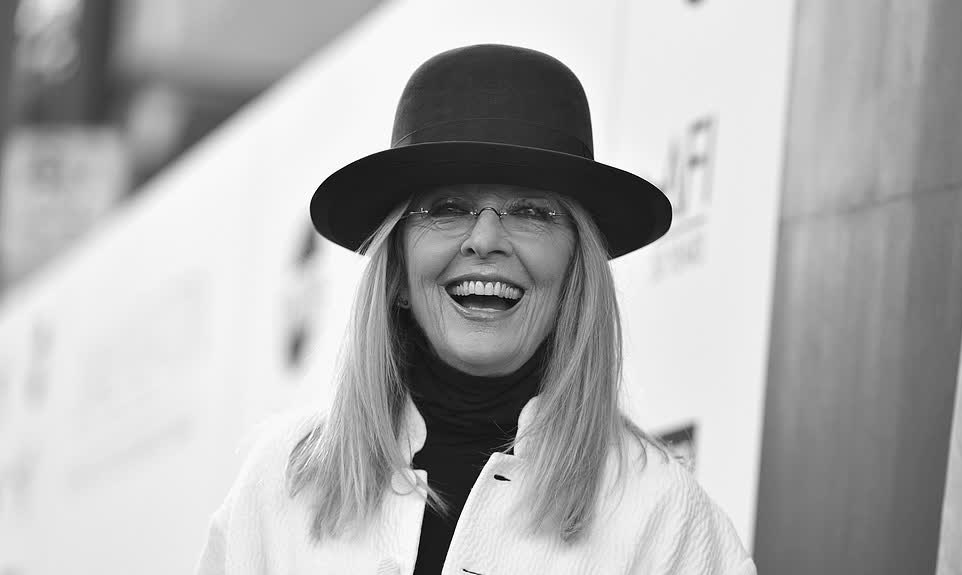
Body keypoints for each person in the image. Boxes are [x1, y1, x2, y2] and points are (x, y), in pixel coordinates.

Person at [196, 43, 755, 575]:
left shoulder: (661, 514)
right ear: (397, 271)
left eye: (531, 212)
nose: (485, 239)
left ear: (574, 274)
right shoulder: (283, 484)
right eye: (447, 208)